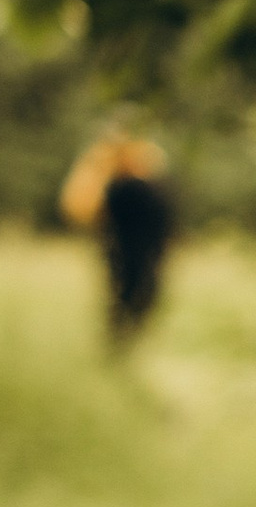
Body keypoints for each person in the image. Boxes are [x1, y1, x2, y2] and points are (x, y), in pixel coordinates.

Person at [58, 130, 175, 345]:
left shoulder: (119, 188)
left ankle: (121, 345)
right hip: (135, 256)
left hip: (123, 254)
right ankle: (124, 344)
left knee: (123, 300)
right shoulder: (133, 188)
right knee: (133, 299)